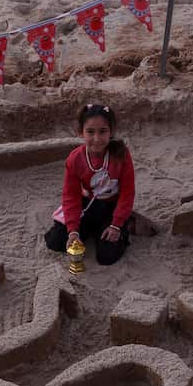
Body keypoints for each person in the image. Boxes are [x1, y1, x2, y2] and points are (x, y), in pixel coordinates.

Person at [44, 103, 135, 266]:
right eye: (90, 132)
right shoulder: (75, 159)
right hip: (87, 204)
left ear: (111, 131)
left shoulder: (121, 155)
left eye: (103, 131)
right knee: (56, 242)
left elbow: (127, 192)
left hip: (111, 207)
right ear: (80, 132)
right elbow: (70, 196)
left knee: (106, 256)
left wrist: (116, 225)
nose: (97, 139)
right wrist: (73, 231)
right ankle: (90, 229)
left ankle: (123, 227)